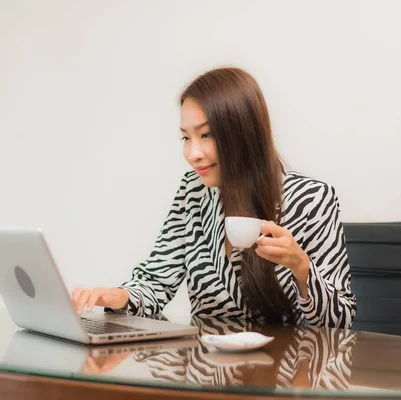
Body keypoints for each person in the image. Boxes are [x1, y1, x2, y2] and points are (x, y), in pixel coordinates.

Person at [72, 67, 356, 328]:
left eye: (206, 135)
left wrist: (301, 268)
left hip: (288, 374)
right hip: (208, 372)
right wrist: (116, 296)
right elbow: (155, 283)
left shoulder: (312, 199)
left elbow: (341, 321)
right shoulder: (193, 192)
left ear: (244, 133)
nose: (193, 153)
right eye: (186, 138)